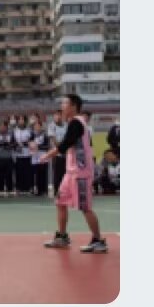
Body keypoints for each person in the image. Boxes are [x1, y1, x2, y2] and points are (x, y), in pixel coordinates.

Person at [43, 94, 107, 255]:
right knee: (60, 202)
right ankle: (62, 236)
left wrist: (47, 155)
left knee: (85, 208)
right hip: (71, 172)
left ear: (73, 106)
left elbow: (64, 145)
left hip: (81, 173)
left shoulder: (77, 123)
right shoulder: (73, 122)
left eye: (65, 103)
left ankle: (98, 240)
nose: (62, 106)